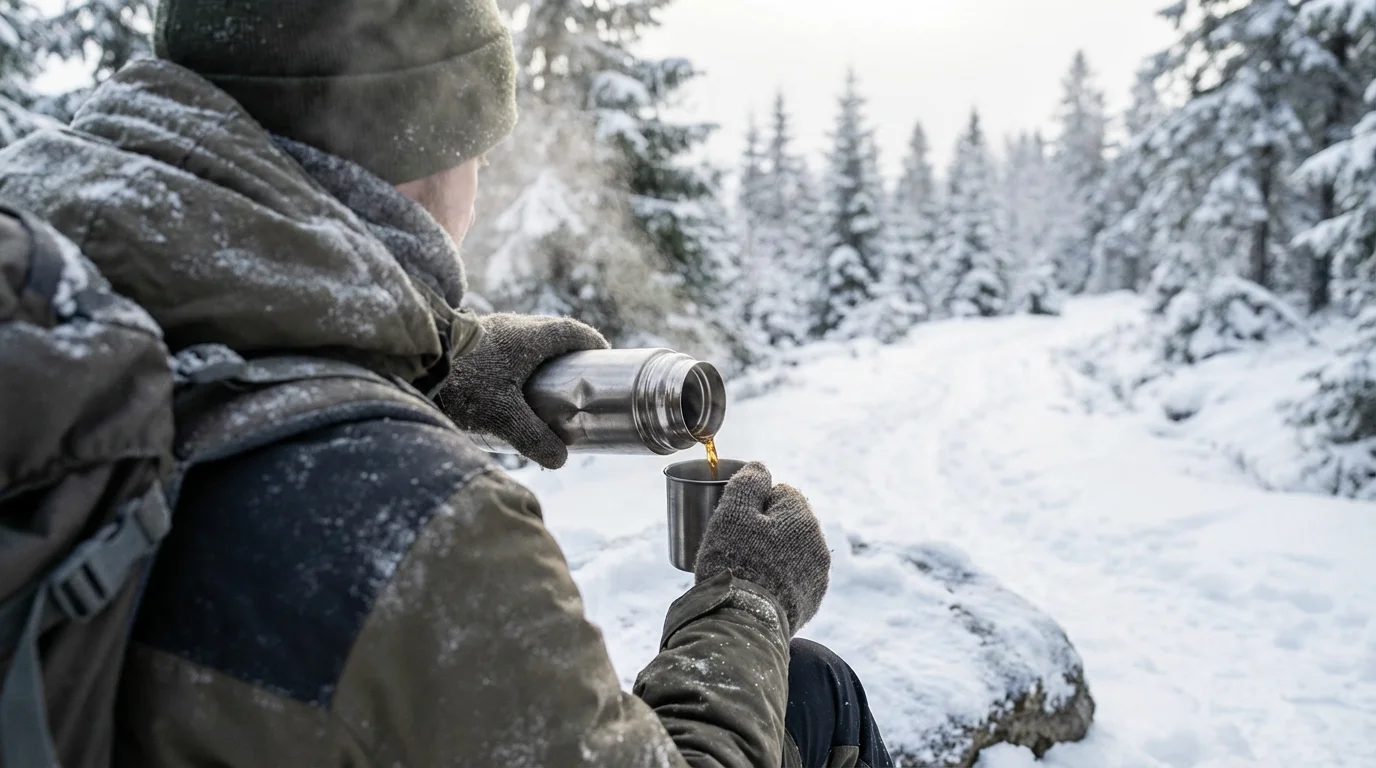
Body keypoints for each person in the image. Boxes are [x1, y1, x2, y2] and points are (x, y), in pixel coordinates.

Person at [0, 1, 892, 766]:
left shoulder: (45, 294)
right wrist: (748, 598)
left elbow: (190, 287)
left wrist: (442, 354)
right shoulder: (419, 526)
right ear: (430, 157)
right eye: (480, 153)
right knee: (813, 693)